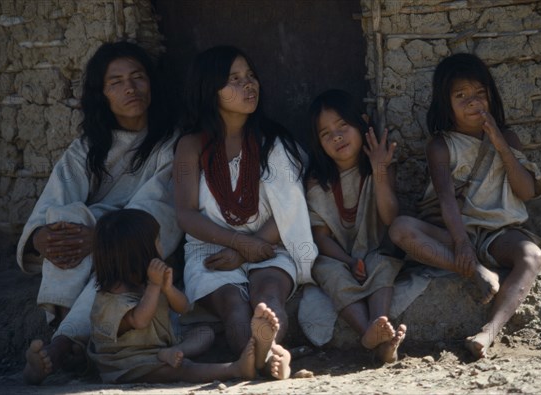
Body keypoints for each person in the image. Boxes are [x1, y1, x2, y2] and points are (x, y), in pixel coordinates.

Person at [16, 41, 182, 384]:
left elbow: (155, 210)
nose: (130, 89)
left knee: (122, 241)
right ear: (102, 94)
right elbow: (52, 201)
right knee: (66, 225)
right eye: (116, 82)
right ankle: (70, 339)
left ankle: (61, 347)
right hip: (91, 238)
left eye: (138, 78)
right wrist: (43, 237)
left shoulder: (171, 142)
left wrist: (105, 239)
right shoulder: (89, 147)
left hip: (141, 245)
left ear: (152, 83)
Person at [173, 45, 317, 379]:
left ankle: (265, 353)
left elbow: (291, 208)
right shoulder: (191, 146)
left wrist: (249, 248)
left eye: (250, 76)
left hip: (269, 244)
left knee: (267, 295)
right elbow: (186, 214)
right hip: (210, 249)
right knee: (233, 307)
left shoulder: (272, 141)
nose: (248, 84)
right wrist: (238, 244)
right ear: (210, 90)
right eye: (234, 79)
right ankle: (267, 355)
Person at [389, 53, 541, 359]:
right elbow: (446, 197)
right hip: (457, 232)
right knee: (400, 228)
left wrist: (500, 143)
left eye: (479, 94)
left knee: (533, 255)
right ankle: (476, 271)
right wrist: (462, 245)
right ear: (446, 104)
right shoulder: (441, 145)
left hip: (499, 234)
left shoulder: (508, 137)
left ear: (491, 97)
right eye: (461, 96)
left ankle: (489, 331)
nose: (472, 102)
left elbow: (525, 191)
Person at [87, 209, 256, 383]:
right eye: (158, 240)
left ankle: (174, 352)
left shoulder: (147, 280)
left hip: (161, 348)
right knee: (183, 369)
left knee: (205, 333)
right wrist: (154, 286)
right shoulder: (109, 299)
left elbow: (183, 307)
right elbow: (140, 320)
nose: (162, 246)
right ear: (140, 252)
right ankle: (235, 369)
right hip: (130, 363)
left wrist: (167, 288)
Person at [304, 89, 406, 363]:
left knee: (383, 264)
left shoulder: (380, 166)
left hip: (375, 249)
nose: (336, 136)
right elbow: (321, 237)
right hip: (338, 257)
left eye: (343, 126)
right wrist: (347, 261)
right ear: (318, 144)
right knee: (326, 270)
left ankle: (380, 325)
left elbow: (390, 217)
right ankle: (367, 332)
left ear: (361, 124)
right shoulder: (317, 182)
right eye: (326, 134)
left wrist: (380, 170)